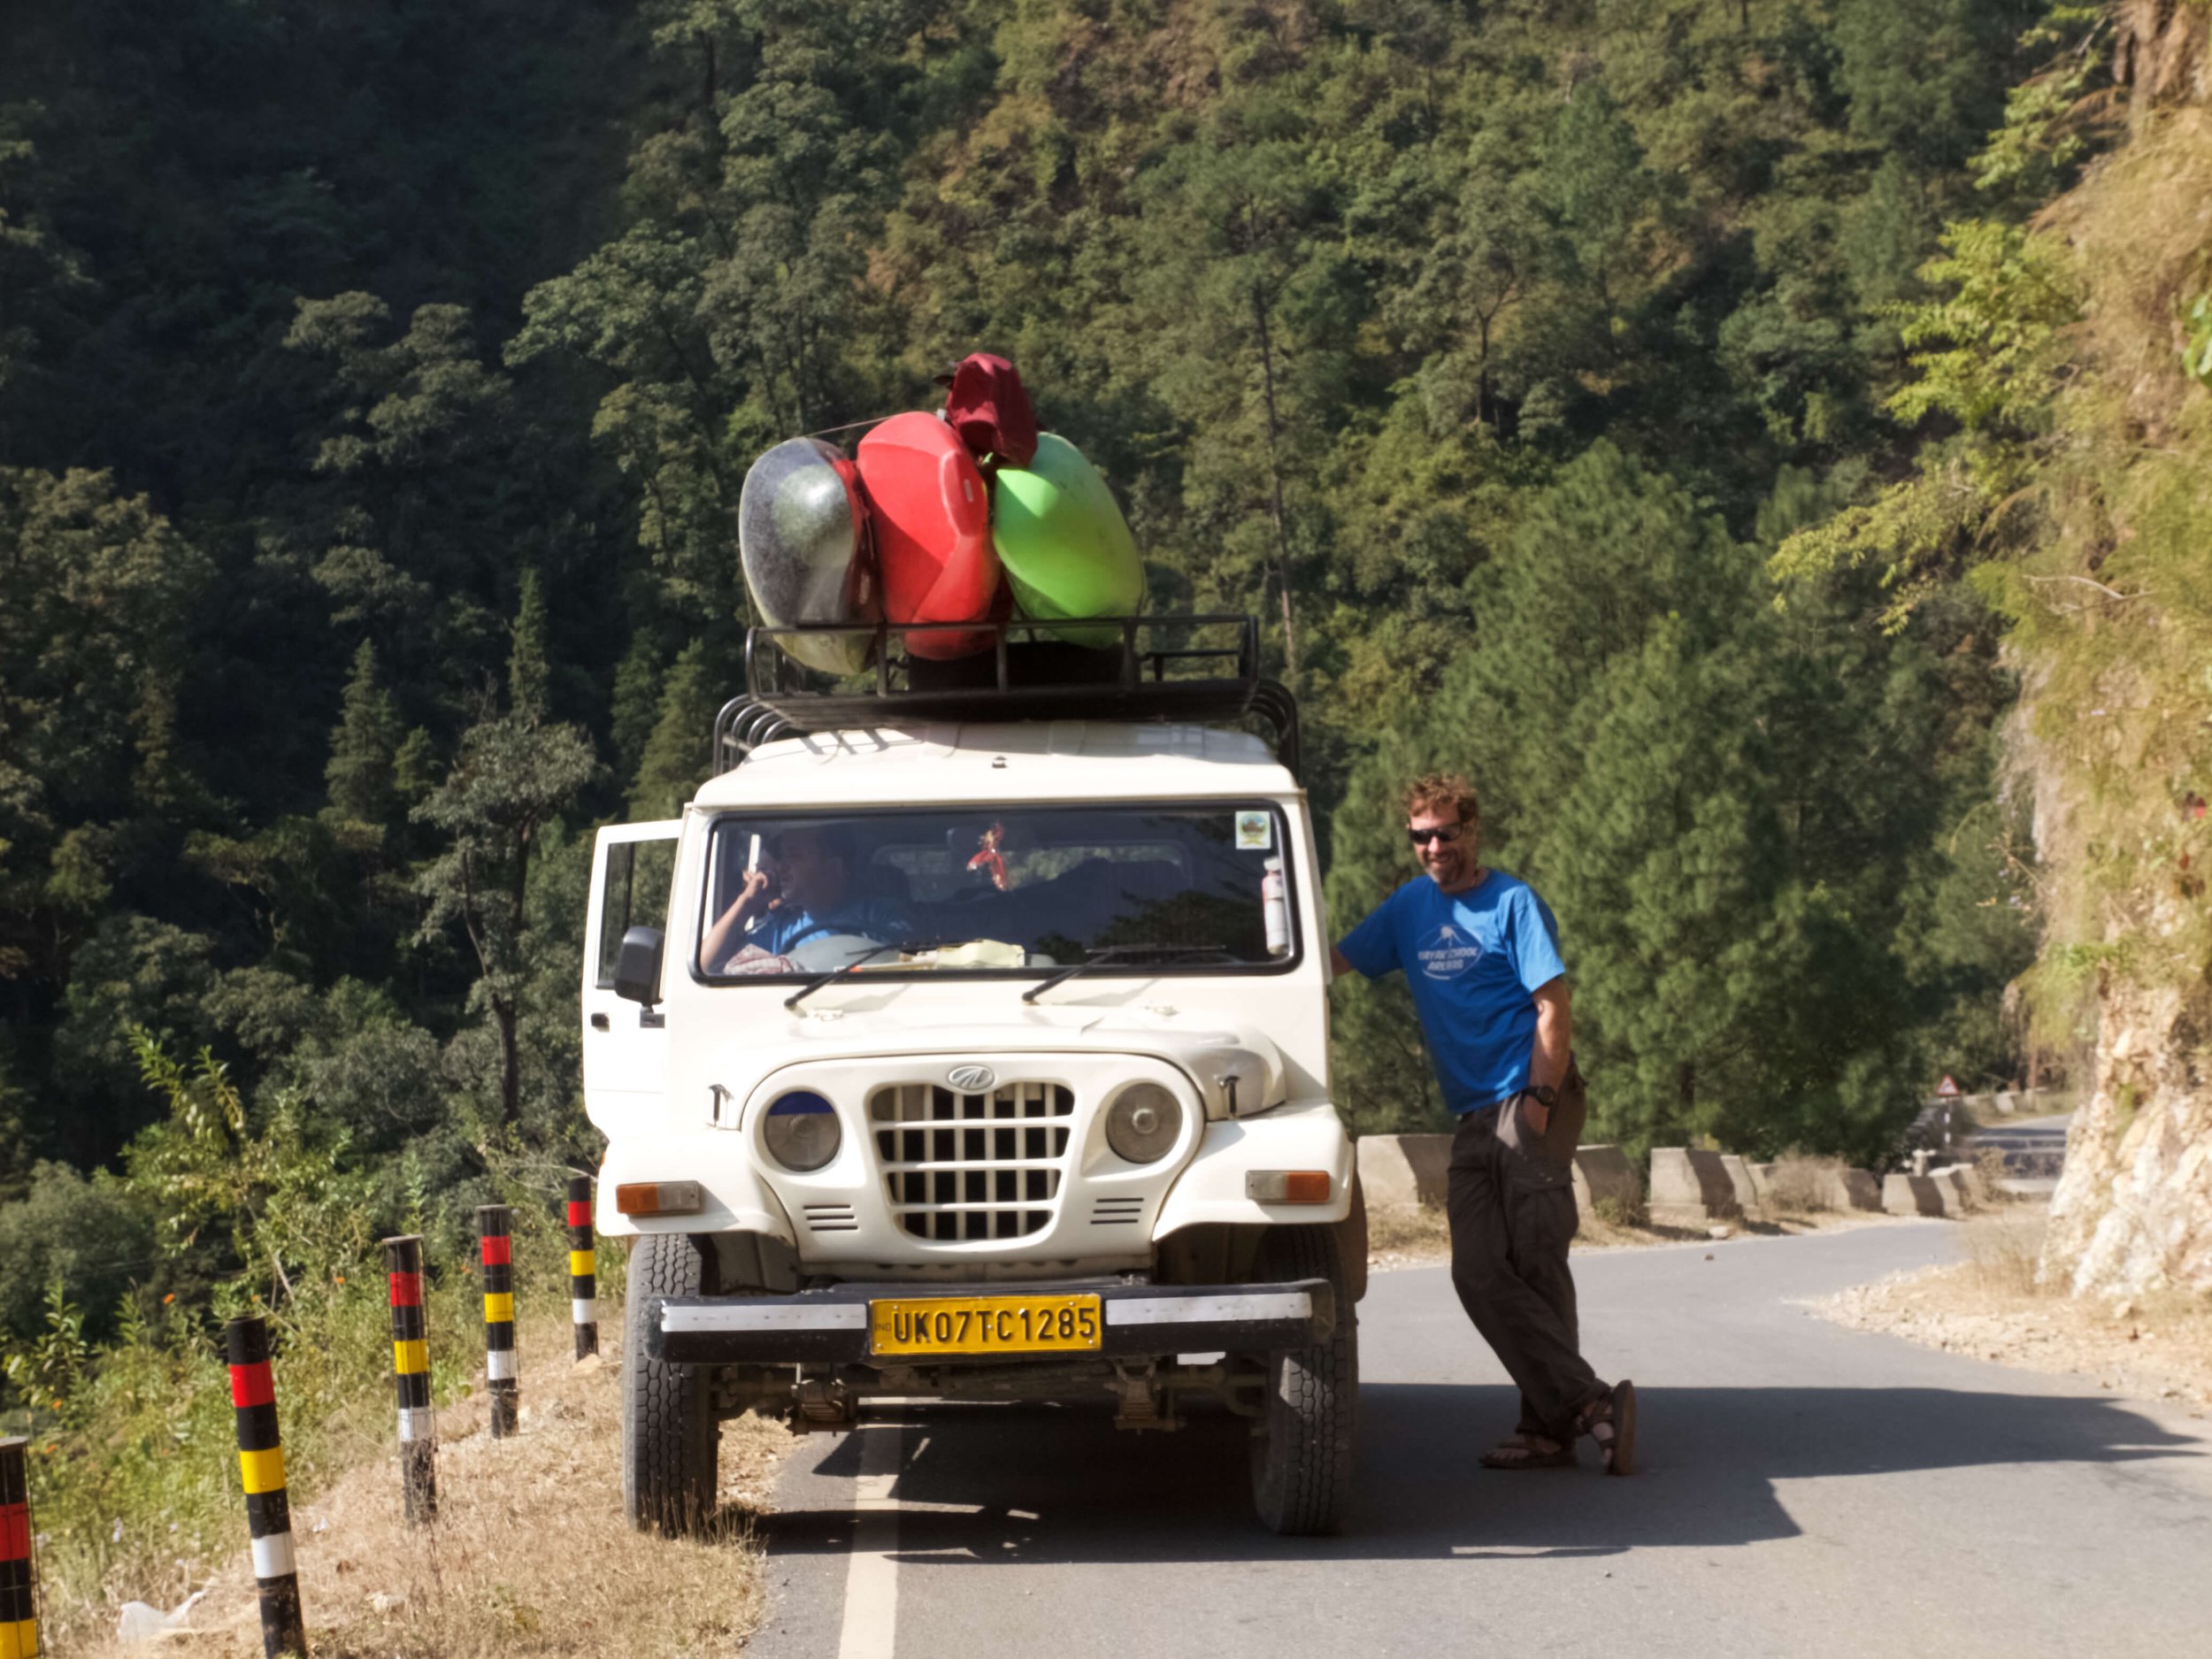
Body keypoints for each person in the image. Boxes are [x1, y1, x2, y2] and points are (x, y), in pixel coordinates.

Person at [1332, 772, 1636, 1476]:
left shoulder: (1513, 902)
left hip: (1531, 1096)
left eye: (1446, 831)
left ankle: (1545, 1429)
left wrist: (1538, 1103)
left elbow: (1552, 1009)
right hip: (1472, 1113)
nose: (1434, 845)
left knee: (1535, 1259)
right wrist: (1266, 924)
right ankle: (1589, 1404)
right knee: (1476, 1269)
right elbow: (1335, 962)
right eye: (1421, 834)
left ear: (1472, 830)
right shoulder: (1409, 908)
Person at [702, 824, 915, 971]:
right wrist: (747, 903)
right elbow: (706, 964)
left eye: (795, 856)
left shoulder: (881, 916)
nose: (782, 866)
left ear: (833, 866)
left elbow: (906, 967)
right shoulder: (780, 928)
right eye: (782, 856)